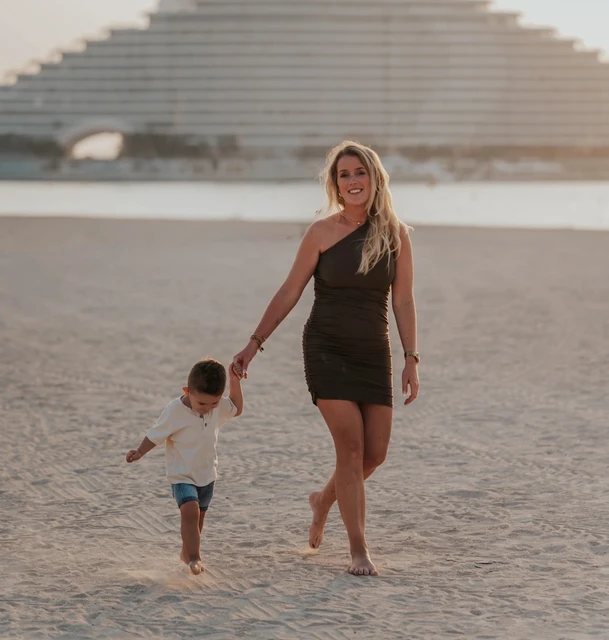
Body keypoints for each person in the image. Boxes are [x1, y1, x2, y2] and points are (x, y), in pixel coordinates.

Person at [232, 140, 419, 577]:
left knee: (375, 454)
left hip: (373, 350)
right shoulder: (321, 232)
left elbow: (404, 300)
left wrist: (411, 357)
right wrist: (252, 344)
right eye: (343, 174)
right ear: (335, 183)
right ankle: (358, 550)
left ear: (375, 178)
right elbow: (289, 291)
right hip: (326, 348)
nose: (352, 181)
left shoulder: (396, 234)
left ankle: (323, 499)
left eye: (359, 173)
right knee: (351, 449)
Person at [125, 357, 243, 575]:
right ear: (187, 391)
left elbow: (236, 407)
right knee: (190, 511)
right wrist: (140, 451)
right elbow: (155, 434)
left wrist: (235, 380)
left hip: (207, 474)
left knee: (198, 520)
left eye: (214, 403)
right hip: (182, 475)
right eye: (201, 404)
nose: (207, 409)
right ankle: (195, 558)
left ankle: (186, 552)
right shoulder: (175, 410)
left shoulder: (215, 407)